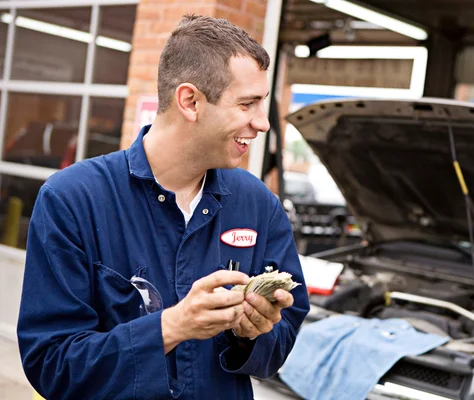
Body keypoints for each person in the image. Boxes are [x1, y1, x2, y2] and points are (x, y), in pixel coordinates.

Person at [17, 14, 310, 399]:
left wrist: (251, 335)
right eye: (247, 103)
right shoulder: (73, 200)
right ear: (190, 101)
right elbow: (53, 365)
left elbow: (281, 343)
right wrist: (170, 327)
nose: (262, 123)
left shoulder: (259, 206)